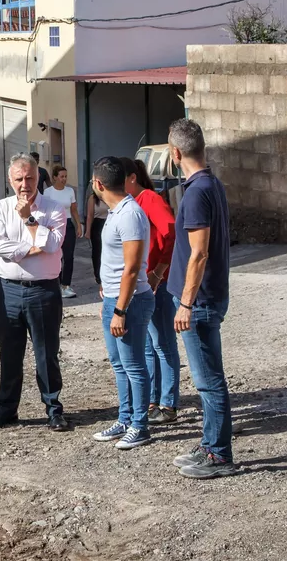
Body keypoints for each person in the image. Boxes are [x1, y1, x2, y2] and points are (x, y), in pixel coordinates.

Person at [165, 119, 236, 479]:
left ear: (175, 153)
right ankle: (210, 443)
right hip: (208, 298)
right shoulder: (211, 184)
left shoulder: (195, 193)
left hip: (201, 302)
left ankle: (220, 455)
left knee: (209, 380)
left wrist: (186, 303)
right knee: (207, 378)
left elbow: (199, 253)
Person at [0, 154, 71, 432]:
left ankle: (53, 409)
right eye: (19, 179)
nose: (25, 184)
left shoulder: (55, 208)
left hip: (43, 291)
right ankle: (7, 410)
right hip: (8, 291)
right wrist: (31, 248)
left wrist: (29, 220)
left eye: (30, 178)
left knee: (46, 353)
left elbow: (54, 245)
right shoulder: (0, 208)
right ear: (10, 180)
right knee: (9, 353)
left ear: (39, 177)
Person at [90, 156, 155, 450]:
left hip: (129, 302)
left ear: (98, 184)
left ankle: (140, 425)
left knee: (134, 365)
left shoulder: (130, 214)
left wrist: (120, 310)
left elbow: (131, 267)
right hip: (115, 299)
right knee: (119, 364)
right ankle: (125, 418)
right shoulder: (116, 212)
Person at [121, 158, 179, 426]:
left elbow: (170, 231)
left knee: (163, 343)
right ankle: (153, 400)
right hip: (143, 283)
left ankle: (168, 403)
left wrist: (159, 271)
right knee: (148, 345)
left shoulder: (150, 200)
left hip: (158, 282)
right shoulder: (131, 204)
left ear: (132, 178)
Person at [43, 165, 83, 299]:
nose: (64, 179)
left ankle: (66, 285)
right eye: (61, 176)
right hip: (54, 226)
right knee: (56, 255)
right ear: (55, 177)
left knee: (69, 256)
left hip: (68, 224)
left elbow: (74, 209)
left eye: (65, 176)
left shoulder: (70, 191)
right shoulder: (48, 192)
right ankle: (56, 283)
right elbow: (45, 211)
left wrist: (78, 225)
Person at [85, 187, 109, 285]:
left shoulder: (109, 196)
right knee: (98, 251)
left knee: (108, 251)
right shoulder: (93, 198)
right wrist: (88, 231)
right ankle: (98, 274)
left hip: (108, 223)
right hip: (97, 224)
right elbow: (90, 215)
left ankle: (106, 273)